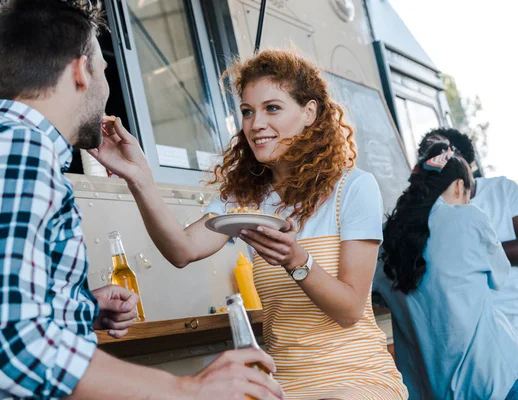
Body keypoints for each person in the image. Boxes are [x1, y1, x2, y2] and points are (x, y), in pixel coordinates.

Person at [0, 1, 284, 399]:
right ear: (82, 71)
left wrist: (81, 307)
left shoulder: (20, 147)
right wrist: (187, 389)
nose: (107, 85)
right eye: (103, 69)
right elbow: (14, 342)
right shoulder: (21, 149)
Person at [91, 48, 408, 399]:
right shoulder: (247, 199)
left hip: (355, 378)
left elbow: (349, 311)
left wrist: (296, 261)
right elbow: (181, 251)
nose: (256, 124)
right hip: (281, 383)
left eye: (272, 108)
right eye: (247, 111)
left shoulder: (353, 188)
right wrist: (139, 176)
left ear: (309, 112)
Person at [374, 142, 518, 399]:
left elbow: (378, 296)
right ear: (458, 186)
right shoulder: (467, 218)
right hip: (495, 378)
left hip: (434, 389)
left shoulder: (382, 241)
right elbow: (499, 276)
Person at [413, 128, 518, 400]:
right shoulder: (429, 215)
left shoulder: (501, 190)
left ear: (465, 160)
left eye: (446, 152)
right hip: (486, 347)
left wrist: (467, 253)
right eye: (431, 155)